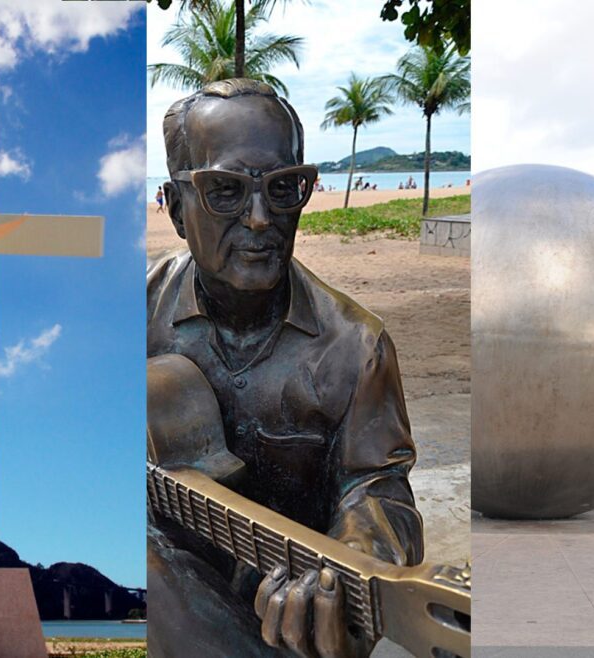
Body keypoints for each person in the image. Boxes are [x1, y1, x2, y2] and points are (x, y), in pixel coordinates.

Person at [148, 79, 422, 658]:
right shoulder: (134, 306)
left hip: (280, 622)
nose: (258, 219)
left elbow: (379, 494)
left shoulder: (357, 347)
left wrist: (350, 582)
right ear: (175, 209)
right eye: (224, 191)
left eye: (283, 190)